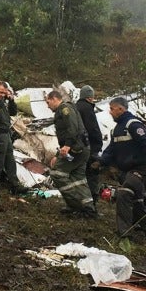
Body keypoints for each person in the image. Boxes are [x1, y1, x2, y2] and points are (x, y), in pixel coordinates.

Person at [98, 97, 146, 243]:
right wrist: (101, 162)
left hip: (140, 169)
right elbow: (111, 150)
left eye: (112, 108)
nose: (110, 112)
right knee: (138, 202)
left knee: (124, 194)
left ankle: (124, 235)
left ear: (121, 109)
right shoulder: (117, 129)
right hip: (126, 171)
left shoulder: (133, 124)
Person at [45, 90, 97, 218]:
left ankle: (75, 205)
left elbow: (72, 128)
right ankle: (89, 209)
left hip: (76, 149)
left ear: (54, 99)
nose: (47, 106)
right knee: (78, 178)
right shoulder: (66, 108)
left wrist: (67, 146)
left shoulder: (65, 109)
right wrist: (58, 154)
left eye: (48, 102)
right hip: (82, 148)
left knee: (57, 173)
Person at [75, 85, 103, 202]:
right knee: (92, 174)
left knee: (79, 175)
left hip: (77, 147)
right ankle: (92, 203)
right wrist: (98, 143)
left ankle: (79, 200)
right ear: (89, 97)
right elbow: (93, 129)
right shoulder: (88, 109)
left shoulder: (76, 107)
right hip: (90, 146)